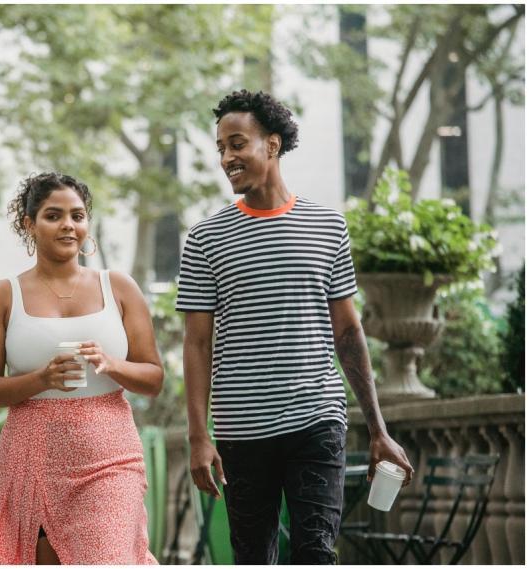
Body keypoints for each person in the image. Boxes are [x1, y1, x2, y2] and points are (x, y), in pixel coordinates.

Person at [176, 90, 414, 564]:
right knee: (253, 557)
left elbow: (348, 332)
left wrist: (378, 429)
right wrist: (199, 436)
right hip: (242, 429)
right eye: (221, 147)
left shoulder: (328, 227)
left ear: (273, 144)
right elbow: (197, 344)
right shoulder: (205, 239)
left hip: (316, 419)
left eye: (237, 144)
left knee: (315, 552)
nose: (227, 158)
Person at [0, 172, 163, 564]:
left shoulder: (120, 287)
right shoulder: (0, 296)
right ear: (30, 224)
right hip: (31, 458)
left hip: (110, 456)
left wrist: (113, 365)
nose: (68, 226)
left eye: (77, 216)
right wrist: (40, 380)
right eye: (53, 216)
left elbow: (153, 378)